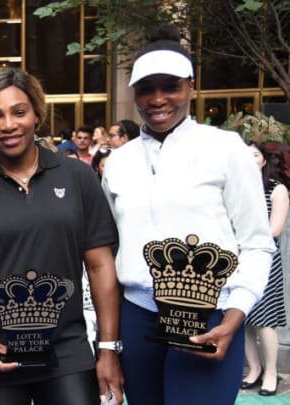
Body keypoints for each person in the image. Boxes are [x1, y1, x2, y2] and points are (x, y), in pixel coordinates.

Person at [101, 25, 276, 405]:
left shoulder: (227, 149)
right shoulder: (118, 162)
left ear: (192, 87)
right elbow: (110, 250)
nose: (158, 98)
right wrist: (109, 342)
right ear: (134, 94)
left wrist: (235, 315)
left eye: (171, 86)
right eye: (147, 88)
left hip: (211, 315)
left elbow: (258, 244)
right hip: (138, 316)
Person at [0, 67, 123, 405]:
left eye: (19, 111)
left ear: (36, 113)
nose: (8, 125)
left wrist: (108, 348)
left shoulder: (78, 178)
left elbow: (100, 267)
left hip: (66, 351)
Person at [241, 141, 288, 397]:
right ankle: (254, 369)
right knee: (242, 318)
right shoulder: (240, 188)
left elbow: (275, 229)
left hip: (265, 261)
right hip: (240, 260)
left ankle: (271, 372)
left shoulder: (276, 189)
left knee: (265, 320)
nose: (249, 158)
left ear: (264, 159)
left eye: (254, 154)